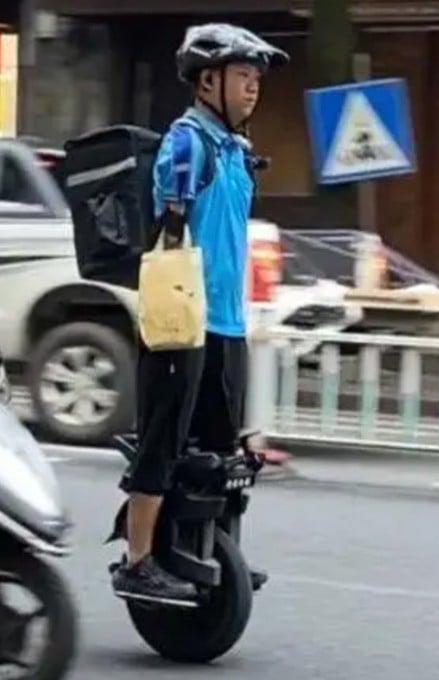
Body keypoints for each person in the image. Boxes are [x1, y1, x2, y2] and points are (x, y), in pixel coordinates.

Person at [111, 23, 289, 603]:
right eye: (243, 76)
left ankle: (214, 549)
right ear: (207, 80)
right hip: (180, 320)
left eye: (256, 79)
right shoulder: (186, 142)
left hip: (227, 322)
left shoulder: (235, 150)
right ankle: (137, 559)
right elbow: (168, 227)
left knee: (220, 452)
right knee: (163, 440)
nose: (253, 88)